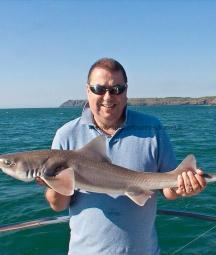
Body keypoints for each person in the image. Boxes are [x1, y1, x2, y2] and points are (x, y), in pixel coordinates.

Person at [42, 58, 206, 255]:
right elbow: (58, 205)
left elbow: (169, 191)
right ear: (87, 90)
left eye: (116, 89)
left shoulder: (152, 128)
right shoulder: (66, 135)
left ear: (126, 91)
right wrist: (53, 185)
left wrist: (184, 188)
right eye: (99, 89)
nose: (108, 97)